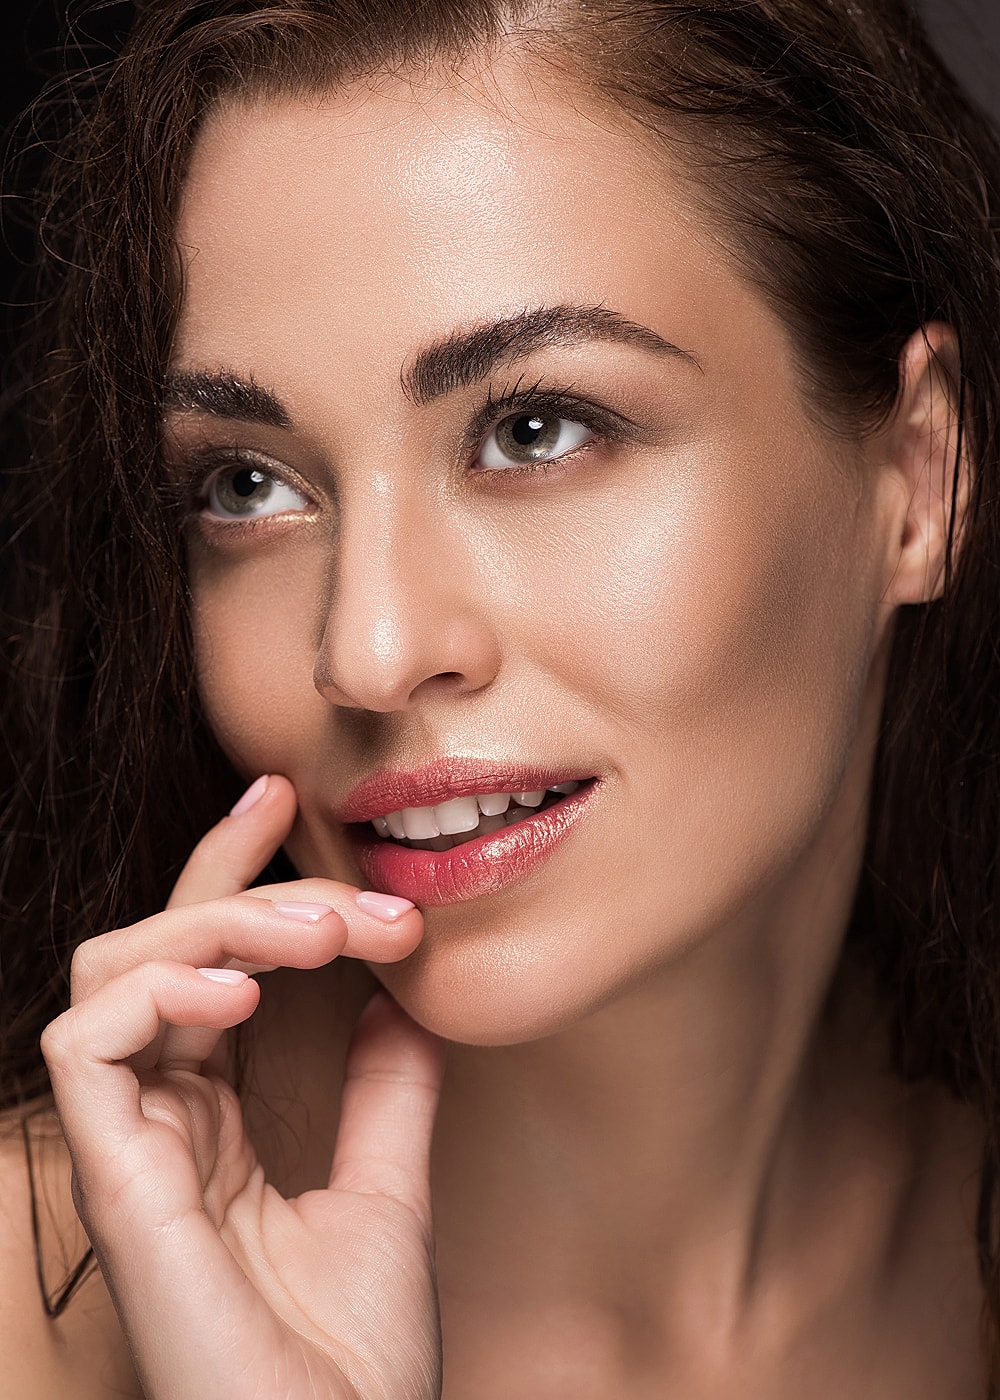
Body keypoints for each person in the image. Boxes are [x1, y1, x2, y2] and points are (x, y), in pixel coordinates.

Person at [2, 0, 1000, 1394]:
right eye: (247, 485)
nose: (367, 648)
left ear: (918, 478)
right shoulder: (32, 1302)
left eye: (534, 431)